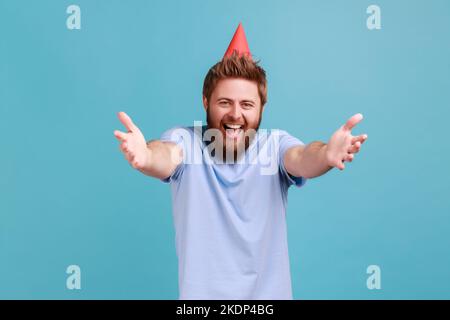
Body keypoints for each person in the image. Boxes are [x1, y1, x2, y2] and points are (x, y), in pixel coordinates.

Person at [113, 23, 368, 299]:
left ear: (261, 108)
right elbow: (166, 155)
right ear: (205, 102)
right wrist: (146, 156)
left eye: (247, 104)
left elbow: (302, 157)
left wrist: (326, 155)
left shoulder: (274, 146)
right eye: (224, 102)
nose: (235, 114)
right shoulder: (185, 141)